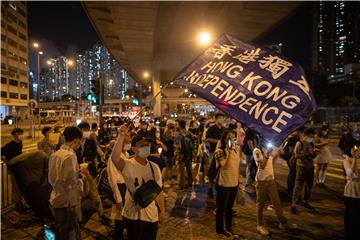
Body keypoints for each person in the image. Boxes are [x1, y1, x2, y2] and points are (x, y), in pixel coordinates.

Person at [110, 125, 165, 240]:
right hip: (132, 216)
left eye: (148, 145)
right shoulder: (128, 164)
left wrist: (162, 211)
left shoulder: (154, 167)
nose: (147, 147)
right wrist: (121, 136)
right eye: (142, 145)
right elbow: (115, 158)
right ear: (134, 149)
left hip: (151, 215)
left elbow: (159, 191)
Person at [253, 142, 296, 236]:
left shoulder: (269, 148)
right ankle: (259, 225)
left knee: (276, 202)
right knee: (261, 203)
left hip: (270, 179)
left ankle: (283, 223)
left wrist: (277, 154)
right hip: (261, 181)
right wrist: (268, 154)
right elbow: (262, 166)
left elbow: (271, 162)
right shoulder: (257, 150)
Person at [48, 126, 83, 240]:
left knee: (62, 227)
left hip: (55, 197)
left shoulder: (55, 154)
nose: (79, 144)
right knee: (70, 230)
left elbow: (51, 178)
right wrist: (81, 180)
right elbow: (71, 181)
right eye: (79, 141)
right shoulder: (70, 156)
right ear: (75, 140)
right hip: (67, 200)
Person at [214, 129, 241, 238]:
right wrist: (229, 153)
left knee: (230, 208)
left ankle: (229, 227)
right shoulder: (219, 151)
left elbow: (237, 166)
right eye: (229, 137)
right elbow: (224, 165)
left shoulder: (236, 150)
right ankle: (220, 229)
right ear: (225, 139)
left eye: (233, 137)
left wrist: (238, 179)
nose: (232, 139)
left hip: (234, 183)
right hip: (223, 184)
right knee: (221, 208)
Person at [107, 133, 131, 240]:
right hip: (119, 187)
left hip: (127, 187)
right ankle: (118, 235)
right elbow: (112, 178)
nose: (129, 145)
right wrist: (118, 197)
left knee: (125, 212)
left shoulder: (126, 155)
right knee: (118, 214)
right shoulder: (113, 158)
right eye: (127, 143)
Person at [291, 128, 318, 214]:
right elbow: (296, 155)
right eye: (311, 136)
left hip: (310, 167)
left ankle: (305, 201)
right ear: (307, 135)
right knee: (298, 185)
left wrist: (315, 154)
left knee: (309, 185)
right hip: (301, 167)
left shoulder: (311, 144)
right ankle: (293, 204)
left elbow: (312, 156)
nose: (313, 137)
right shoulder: (300, 143)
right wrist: (306, 154)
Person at [1, 128, 26, 212]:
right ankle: (17, 204)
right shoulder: (10, 145)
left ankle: (20, 202)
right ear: (15, 134)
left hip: (19, 167)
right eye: (20, 133)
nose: (22, 135)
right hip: (13, 168)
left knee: (20, 186)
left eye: (22, 133)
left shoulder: (20, 143)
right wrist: (7, 162)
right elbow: (1, 152)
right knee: (16, 186)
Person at [206, 113, 225, 196]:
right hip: (213, 152)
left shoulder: (224, 129)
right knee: (213, 170)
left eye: (223, 118)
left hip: (223, 153)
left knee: (221, 170)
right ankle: (210, 188)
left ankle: (219, 187)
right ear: (216, 119)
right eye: (220, 118)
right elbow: (208, 139)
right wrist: (218, 141)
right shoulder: (211, 129)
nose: (222, 120)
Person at [343, 146, 360, 240]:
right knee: (352, 217)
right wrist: (354, 158)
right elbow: (351, 174)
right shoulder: (347, 160)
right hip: (352, 192)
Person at [281, 127, 304, 195]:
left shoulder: (290, 137)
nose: (302, 134)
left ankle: (290, 189)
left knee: (292, 173)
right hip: (291, 159)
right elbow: (291, 150)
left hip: (290, 158)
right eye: (301, 132)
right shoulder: (292, 138)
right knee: (292, 174)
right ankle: (290, 190)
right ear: (298, 131)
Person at [175, 119, 195, 189]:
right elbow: (194, 143)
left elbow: (178, 146)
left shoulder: (179, 134)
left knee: (182, 171)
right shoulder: (190, 133)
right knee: (189, 169)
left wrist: (175, 146)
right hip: (189, 154)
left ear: (179, 126)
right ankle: (190, 183)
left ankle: (181, 185)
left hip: (181, 155)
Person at [242, 127, 257, 192]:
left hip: (251, 152)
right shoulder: (250, 130)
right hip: (250, 152)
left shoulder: (253, 129)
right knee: (250, 167)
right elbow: (249, 142)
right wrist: (254, 152)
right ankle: (247, 184)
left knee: (251, 167)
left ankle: (249, 182)